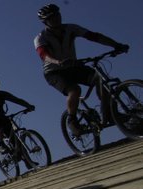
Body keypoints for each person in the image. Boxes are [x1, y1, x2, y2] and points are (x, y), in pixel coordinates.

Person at [33, 3, 129, 137]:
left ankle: (109, 113)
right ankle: (72, 120)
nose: (56, 18)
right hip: (54, 72)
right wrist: (58, 62)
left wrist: (116, 45)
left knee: (101, 80)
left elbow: (94, 36)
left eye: (57, 15)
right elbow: (44, 55)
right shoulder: (40, 38)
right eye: (51, 17)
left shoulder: (71, 28)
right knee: (74, 90)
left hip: (73, 66)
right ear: (45, 22)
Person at [0, 77, 34, 150]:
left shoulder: (2, 94)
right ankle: (1, 144)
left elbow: (16, 100)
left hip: (1, 117)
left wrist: (28, 105)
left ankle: (24, 157)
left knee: (14, 139)